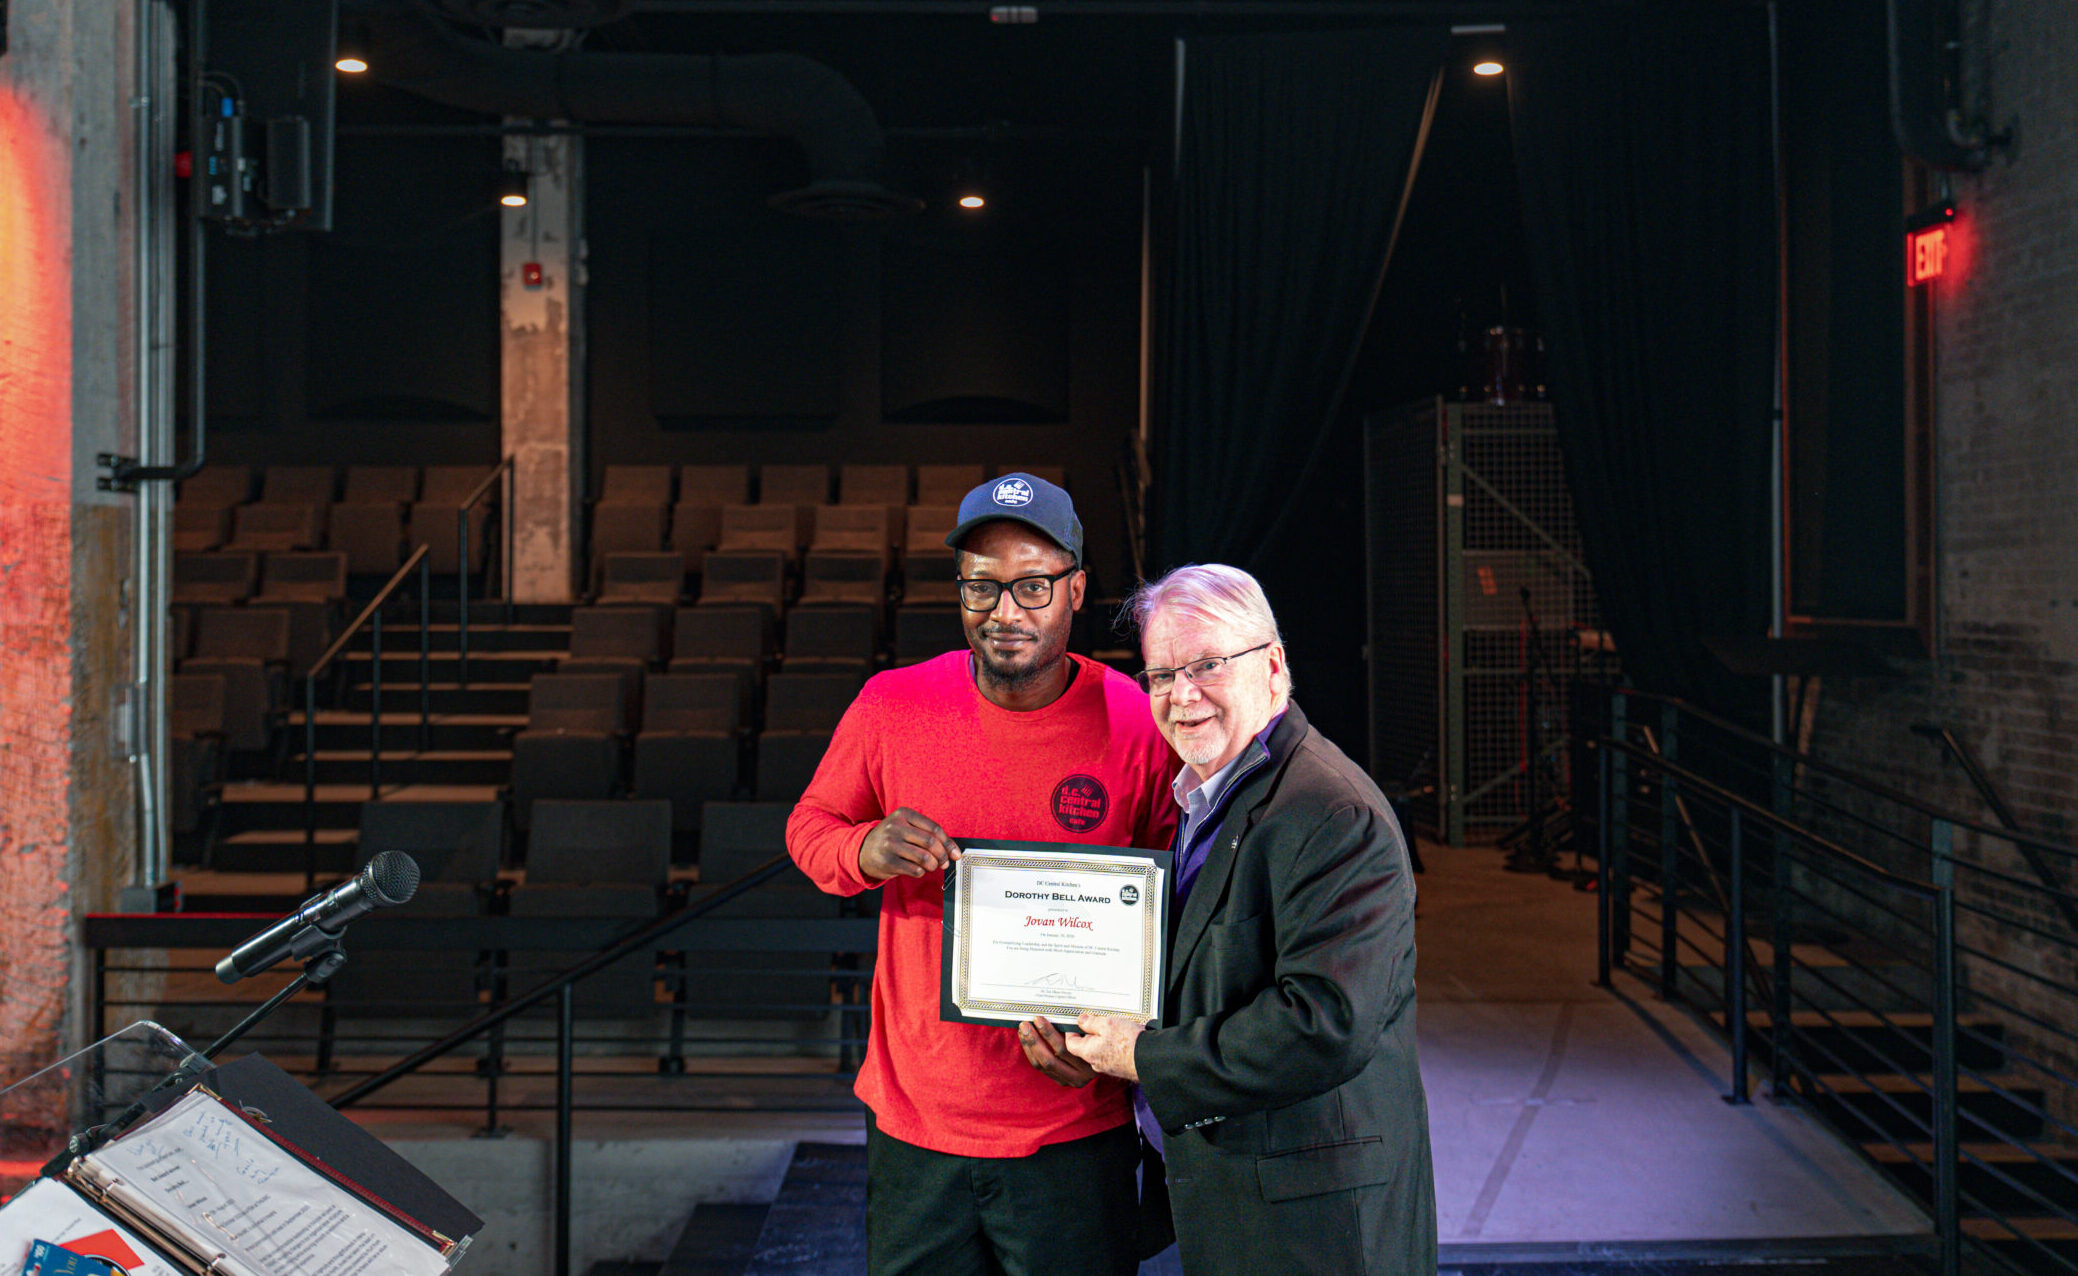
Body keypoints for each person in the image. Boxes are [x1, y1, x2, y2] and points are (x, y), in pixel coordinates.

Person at [786, 472, 1180, 1276]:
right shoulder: (892, 705)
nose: (1006, 611)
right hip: (917, 1129)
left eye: (1032, 585)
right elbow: (810, 831)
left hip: (1075, 1126)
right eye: (982, 586)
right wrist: (866, 850)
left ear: (1075, 589)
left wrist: (1118, 1044)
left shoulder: (1137, 719)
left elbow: (1179, 904)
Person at [1066, 563, 1436, 1275]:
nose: (1183, 695)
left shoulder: (1332, 813)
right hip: (1229, 1201)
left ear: (1272, 667)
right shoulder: (1209, 796)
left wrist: (1140, 1057)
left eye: (1207, 665)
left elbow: (1323, 1024)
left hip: (1314, 1229)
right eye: (1162, 674)